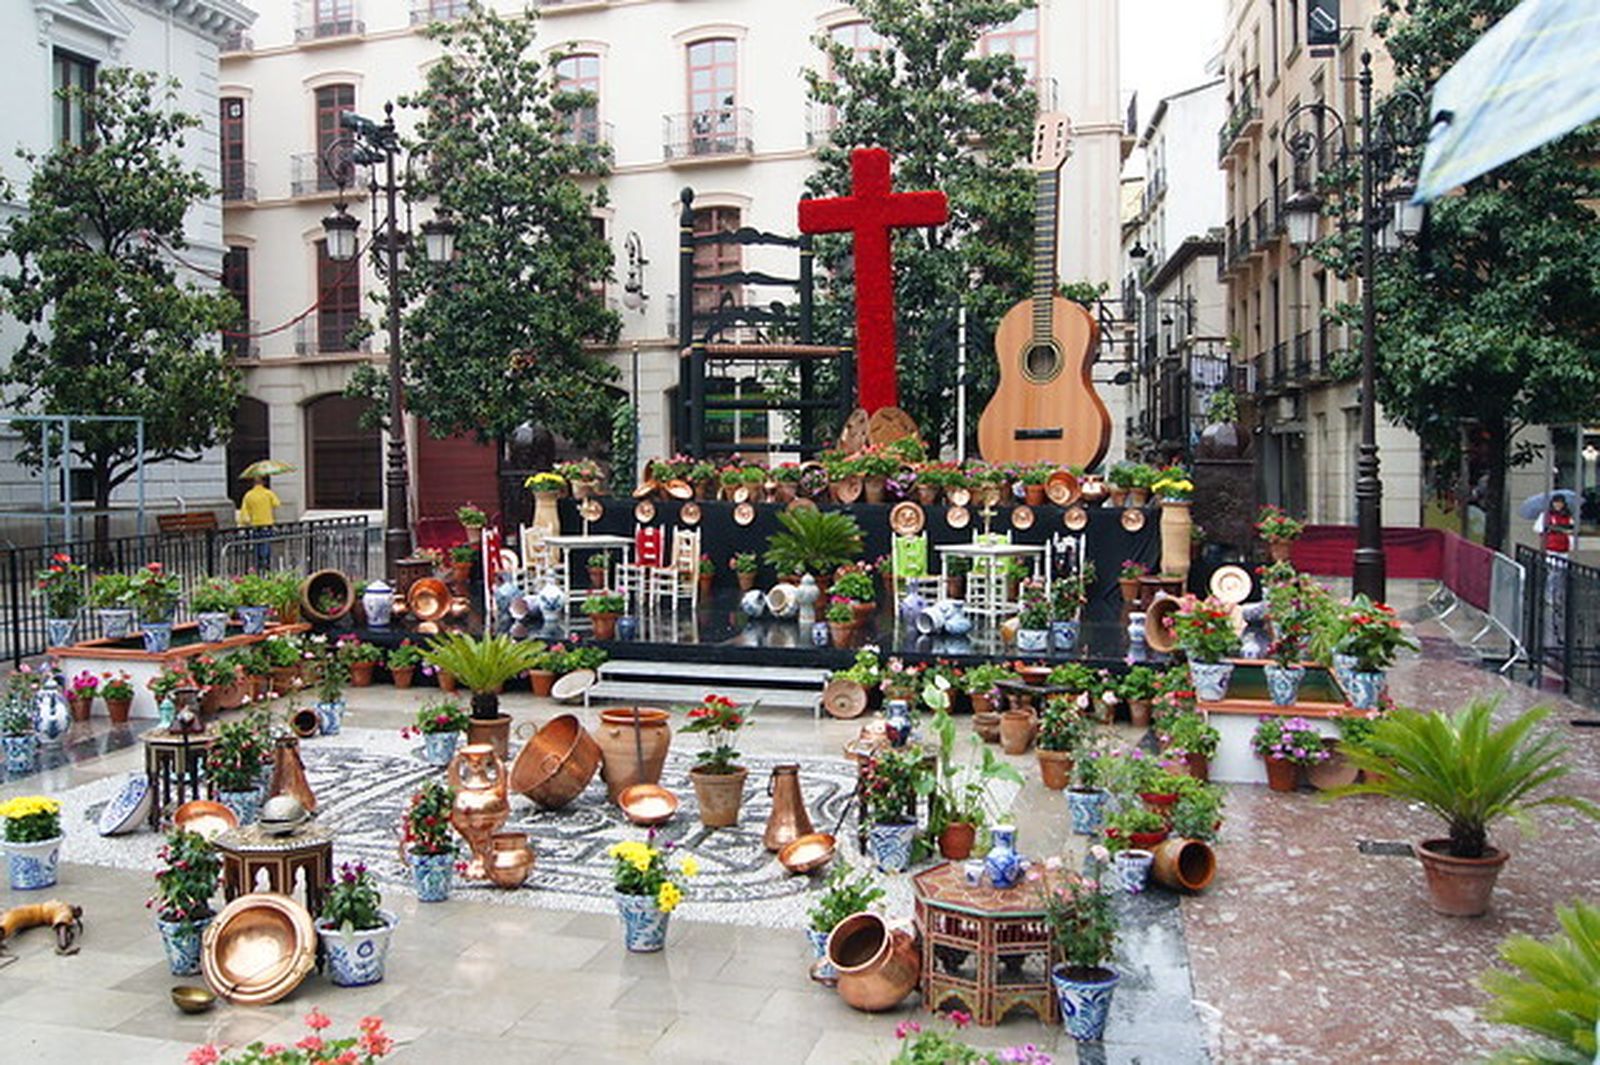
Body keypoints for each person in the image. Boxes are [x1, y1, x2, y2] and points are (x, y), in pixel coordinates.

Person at [239, 477, 281, 570]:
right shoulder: (268, 493)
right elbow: (277, 503)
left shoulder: (249, 495)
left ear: (253, 484)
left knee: (256, 543)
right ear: (263, 483)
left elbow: (244, 510)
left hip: (255, 523)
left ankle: (258, 563)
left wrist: (244, 522)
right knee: (266, 542)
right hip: (267, 522)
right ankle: (266, 562)